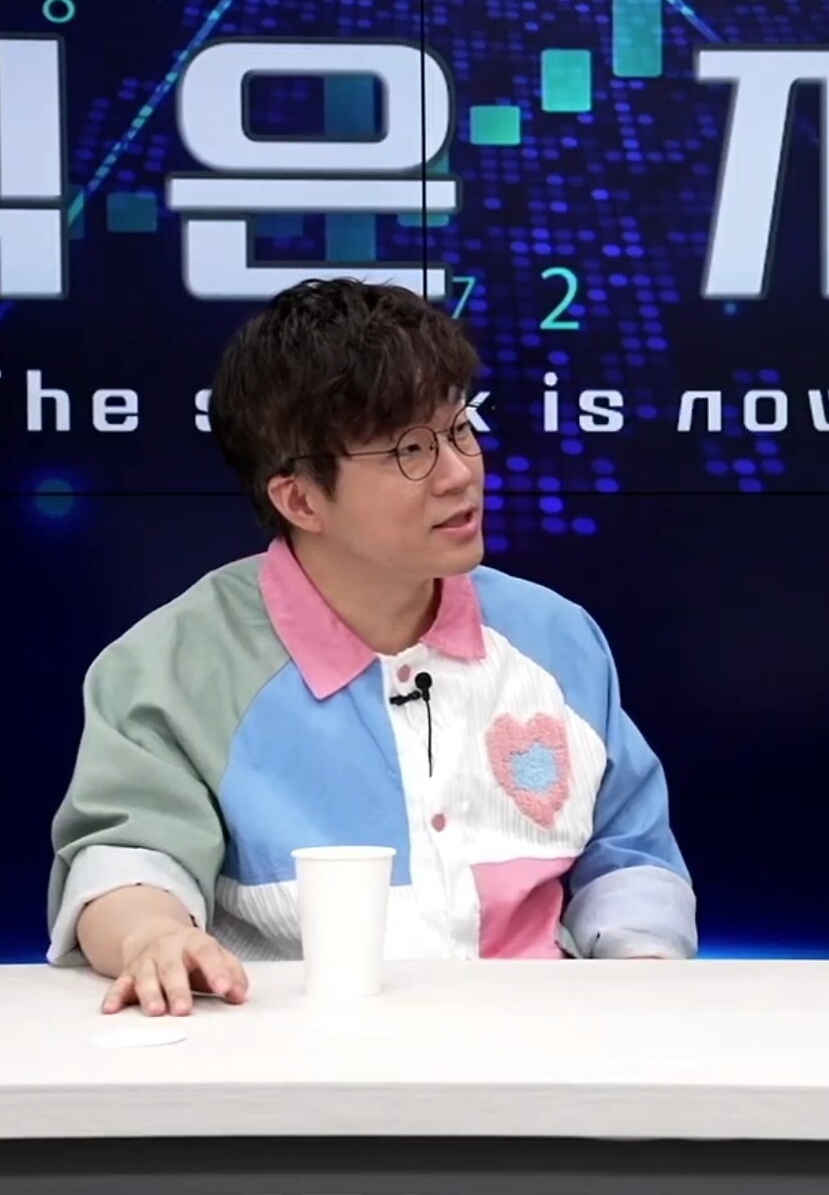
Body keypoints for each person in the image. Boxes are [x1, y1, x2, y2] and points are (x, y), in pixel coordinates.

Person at [48, 278, 695, 1016]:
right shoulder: (174, 666)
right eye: (411, 450)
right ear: (300, 498)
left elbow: (629, 853)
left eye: (460, 429)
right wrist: (153, 937)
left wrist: (640, 971)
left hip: (540, 1050)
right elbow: (128, 860)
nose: (460, 473)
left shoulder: (556, 637)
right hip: (286, 1057)